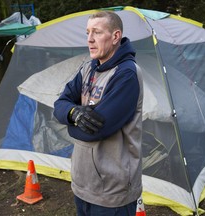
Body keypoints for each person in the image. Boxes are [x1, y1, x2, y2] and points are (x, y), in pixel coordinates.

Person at [53, 11, 143, 216]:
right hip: (83, 183)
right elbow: (59, 104)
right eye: (87, 32)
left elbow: (96, 130)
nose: (89, 39)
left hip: (113, 191)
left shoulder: (126, 74)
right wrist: (74, 113)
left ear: (115, 36)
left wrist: (67, 123)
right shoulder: (87, 69)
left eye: (97, 32)